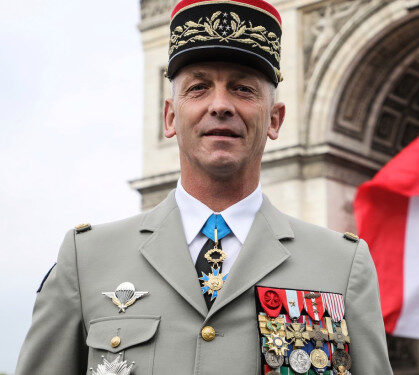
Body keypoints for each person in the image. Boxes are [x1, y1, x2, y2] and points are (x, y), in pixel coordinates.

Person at [15, 0, 393, 374]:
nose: (220, 105)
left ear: (276, 120)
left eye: (243, 89)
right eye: (198, 88)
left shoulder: (343, 266)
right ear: (169, 117)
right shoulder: (85, 260)